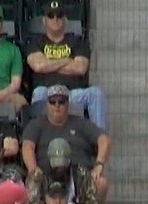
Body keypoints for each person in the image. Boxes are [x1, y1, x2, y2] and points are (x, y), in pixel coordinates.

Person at [21, 86, 111, 204]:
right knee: (29, 184)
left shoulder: (80, 123)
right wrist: (33, 169)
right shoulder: (36, 124)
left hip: (79, 177)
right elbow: (27, 146)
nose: (57, 105)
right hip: (46, 176)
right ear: (47, 104)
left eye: (61, 102)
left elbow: (104, 139)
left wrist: (99, 165)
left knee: (101, 183)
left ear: (68, 104)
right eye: (53, 102)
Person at [27, 0, 107, 130]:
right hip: (47, 92)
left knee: (96, 93)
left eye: (59, 15)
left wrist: (50, 65)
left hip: (73, 94)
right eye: (51, 16)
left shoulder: (77, 41)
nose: (55, 19)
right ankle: (39, 136)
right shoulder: (35, 42)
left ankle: (98, 141)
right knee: (39, 92)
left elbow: (80, 68)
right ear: (44, 21)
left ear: (65, 19)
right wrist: (67, 60)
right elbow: (38, 66)